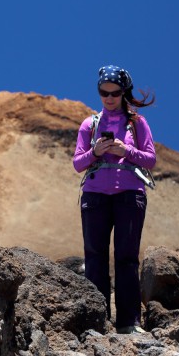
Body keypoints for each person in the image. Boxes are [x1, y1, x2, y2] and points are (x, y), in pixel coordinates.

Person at [72, 65, 156, 334]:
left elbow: (151, 159)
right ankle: (98, 321)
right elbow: (77, 163)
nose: (109, 98)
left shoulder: (136, 123)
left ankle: (129, 322)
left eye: (115, 93)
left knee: (127, 257)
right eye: (103, 92)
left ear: (124, 92)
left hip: (130, 196)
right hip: (95, 197)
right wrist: (96, 151)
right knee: (94, 257)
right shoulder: (90, 124)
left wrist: (126, 150)